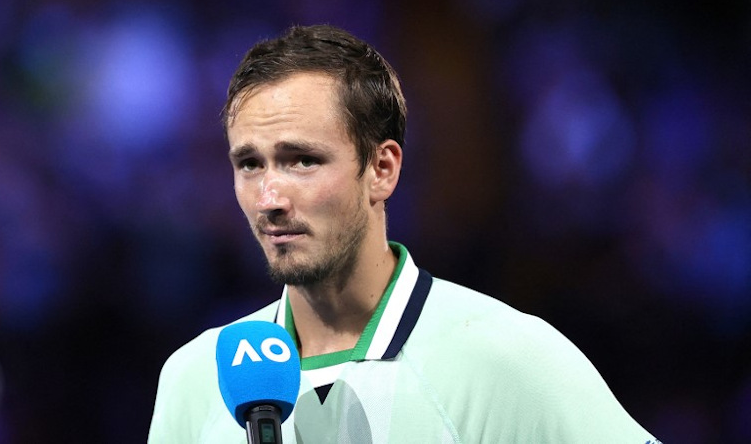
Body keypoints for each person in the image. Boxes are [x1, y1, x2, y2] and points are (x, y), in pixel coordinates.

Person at [148, 24, 659, 443]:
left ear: (382, 168)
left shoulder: (509, 358)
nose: (269, 198)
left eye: (302, 160)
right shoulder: (194, 378)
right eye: (250, 164)